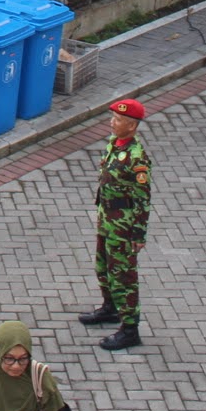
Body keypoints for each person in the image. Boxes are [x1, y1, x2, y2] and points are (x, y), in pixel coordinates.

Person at [79, 97, 151, 350]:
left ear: (132, 126)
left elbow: (143, 200)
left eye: (118, 120)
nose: (112, 123)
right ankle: (110, 308)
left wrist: (138, 235)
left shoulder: (136, 158)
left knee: (124, 277)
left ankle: (130, 329)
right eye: (113, 118)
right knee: (103, 267)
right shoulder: (114, 144)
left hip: (124, 228)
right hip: (107, 221)